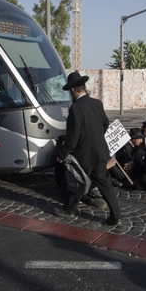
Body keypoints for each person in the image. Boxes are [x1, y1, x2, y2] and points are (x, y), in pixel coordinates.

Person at [56, 71, 121, 226]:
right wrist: (96, 139)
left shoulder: (75, 108)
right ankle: (116, 216)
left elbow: (73, 137)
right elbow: (105, 124)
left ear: (72, 90)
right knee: (105, 184)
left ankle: (69, 209)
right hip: (101, 151)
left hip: (84, 154)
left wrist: (63, 154)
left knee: (76, 180)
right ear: (83, 87)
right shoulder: (97, 103)